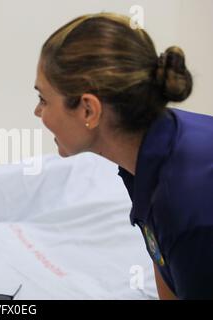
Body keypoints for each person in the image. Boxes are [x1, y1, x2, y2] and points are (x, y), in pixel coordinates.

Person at [34, 12, 213, 299]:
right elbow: (163, 259)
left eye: (43, 99)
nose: (37, 112)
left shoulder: (187, 203)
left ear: (88, 110)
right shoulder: (148, 150)